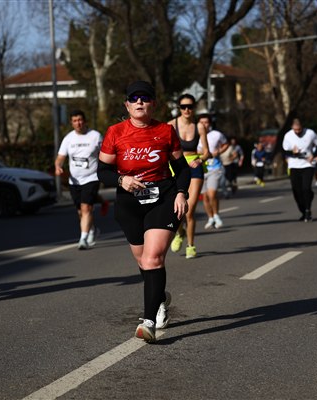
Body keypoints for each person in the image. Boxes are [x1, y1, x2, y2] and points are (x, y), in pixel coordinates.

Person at [97, 81, 190, 343]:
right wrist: (121, 179)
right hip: (129, 203)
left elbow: (182, 168)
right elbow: (102, 171)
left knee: (153, 259)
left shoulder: (165, 131)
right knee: (143, 262)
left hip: (163, 198)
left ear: (153, 104)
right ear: (127, 105)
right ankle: (159, 299)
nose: (140, 102)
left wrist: (181, 193)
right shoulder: (115, 132)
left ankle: (149, 322)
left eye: (145, 98)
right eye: (134, 98)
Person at [168, 94, 210, 259]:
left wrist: (199, 160)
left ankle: (191, 246)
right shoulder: (171, 125)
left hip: (194, 167)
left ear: (194, 108)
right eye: (183, 107)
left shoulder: (199, 126)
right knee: (176, 209)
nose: (187, 110)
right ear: (179, 108)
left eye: (190, 107)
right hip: (177, 168)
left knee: (189, 210)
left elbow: (207, 152)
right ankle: (180, 233)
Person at [55, 110, 103, 250]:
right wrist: (58, 167)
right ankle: (92, 230)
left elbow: (105, 154)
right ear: (71, 123)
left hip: (92, 177)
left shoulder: (95, 136)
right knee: (81, 212)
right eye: (75, 121)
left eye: (80, 120)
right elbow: (60, 158)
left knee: (86, 207)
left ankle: (83, 239)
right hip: (75, 181)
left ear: (85, 121)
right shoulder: (68, 138)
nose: (78, 123)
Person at [282, 118, 317, 222]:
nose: (298, 132)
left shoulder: (310, 133)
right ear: (292, 128)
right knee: (297, 191)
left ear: (302, 127)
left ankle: (308, 211)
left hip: (308, 165)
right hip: (294, 165)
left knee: (306, 188)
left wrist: (314, 155)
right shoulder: (288, 136)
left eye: (299, 129)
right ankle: (303, 210)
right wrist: (293, 152)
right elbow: (285, 151)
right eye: (295, 130)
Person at [197, 113, 228, 229]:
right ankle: (210, 218)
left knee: (212, 194)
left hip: (214, 168)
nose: (204, 125)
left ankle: (216, 215)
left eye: (206, 122)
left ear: (210, 123)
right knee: (205, 197)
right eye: (201, 122)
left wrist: (218, 152)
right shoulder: (195, 135)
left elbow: (225, 144)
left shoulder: (216, 134)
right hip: (201, 169)